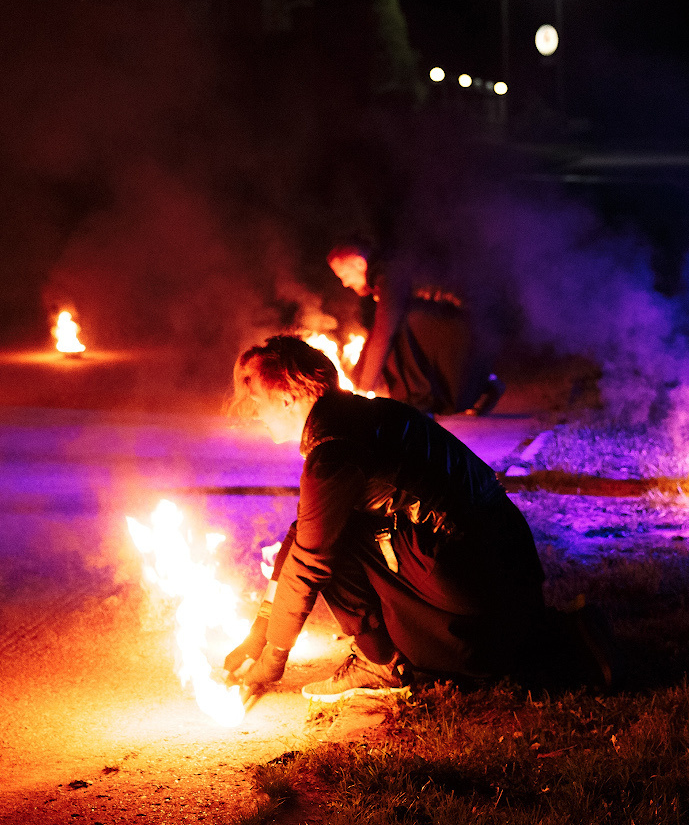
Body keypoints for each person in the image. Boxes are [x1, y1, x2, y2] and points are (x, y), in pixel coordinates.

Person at [222, 336, 583, 703]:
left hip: (480, 598)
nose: (254, 412)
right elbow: (304, 533)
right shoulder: (368, 414)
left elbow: (309, 558)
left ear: (286, 399)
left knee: (325, 544)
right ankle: (413, 651)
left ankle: (382, 661)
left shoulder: (333, 451)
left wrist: (274, 658)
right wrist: (258, 636)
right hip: (505, 574)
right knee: (316, 531)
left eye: (257, 400)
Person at [327, 241, 501, 416]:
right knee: (398, 325)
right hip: (462, 334)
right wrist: (356, 379)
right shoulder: (384, 276)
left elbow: (384, 333)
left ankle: (416, 403)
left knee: (401, 327)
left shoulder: (390, 275)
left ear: (359, 263)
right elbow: (376, 333)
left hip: (466, 332)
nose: (344, 283)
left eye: (344, 274)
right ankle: (483, 385)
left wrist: (363, 391)